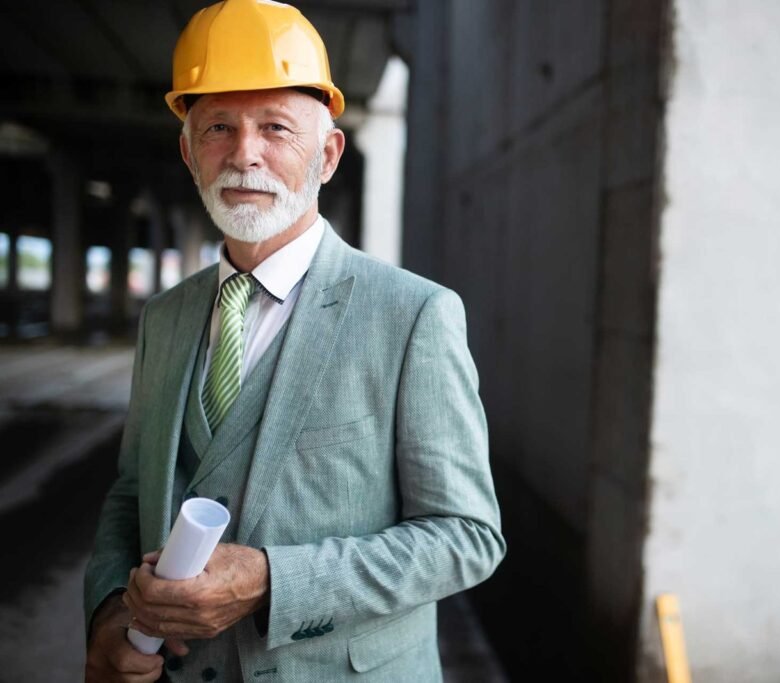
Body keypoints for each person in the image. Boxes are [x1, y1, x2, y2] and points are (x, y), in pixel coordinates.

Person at [82, 1, 505, 680]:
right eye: (218, 126)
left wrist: (276, 580)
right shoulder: (164, 318)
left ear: (328, 153)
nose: (244, 152)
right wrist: (107, 611)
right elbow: (132, 493)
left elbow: (467, 536)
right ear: (189, 152)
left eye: (275, 127)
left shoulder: (413, 314)